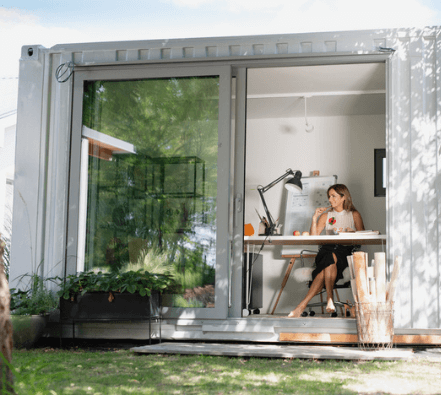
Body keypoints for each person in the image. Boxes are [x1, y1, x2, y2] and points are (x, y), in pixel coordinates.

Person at [288, 184, 365, 318]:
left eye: (333, 196)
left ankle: (302, 306)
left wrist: (353, 233)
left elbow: (362, 239)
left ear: (343, 197)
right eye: (329, 196)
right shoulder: (325, 216)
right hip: (326, 250)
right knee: (329, 255)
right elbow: (313, 238)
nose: (330, 199)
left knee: (327, 265)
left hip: (344, 253)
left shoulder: (354, 215)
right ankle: (330, 298)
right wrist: (314, 218)